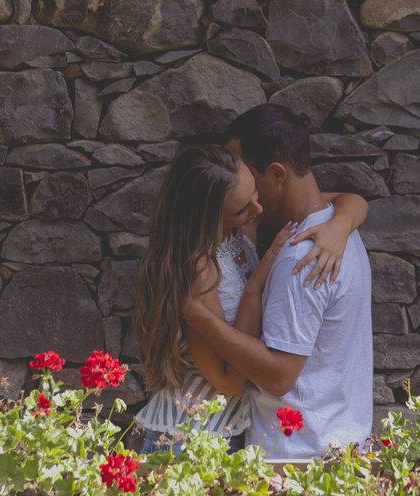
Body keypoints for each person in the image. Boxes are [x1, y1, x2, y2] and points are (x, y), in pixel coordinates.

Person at [133, 143, 368, 453]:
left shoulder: (242, 226)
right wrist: (253, 288)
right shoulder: (198, 267)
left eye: (255, 192)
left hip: (228, 432)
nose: (258, 209)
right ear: (207, 216)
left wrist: (340, 226)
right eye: (241, 210)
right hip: (190, 436)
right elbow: (229, 382)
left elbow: (351, 200)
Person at [183, 105, 373, 457]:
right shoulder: (334, 226)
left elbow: (278, 376)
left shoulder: (304, 255)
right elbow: (350, 201)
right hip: (335, 441)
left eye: (246, 175)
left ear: (276, 173)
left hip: (295, 456)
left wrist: (195, 314)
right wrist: (344, 221)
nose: (238, 185)